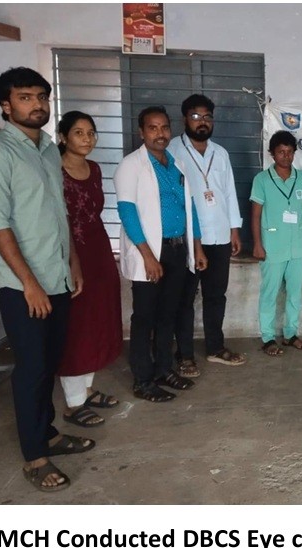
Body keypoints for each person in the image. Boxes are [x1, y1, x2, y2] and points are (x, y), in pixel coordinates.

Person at [0, 67, 92, 492]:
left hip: (55, 275)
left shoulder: (45, 149)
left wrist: (72, 261)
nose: (37, 104)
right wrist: (29, 283)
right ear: (6, 106)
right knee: (32, 368)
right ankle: (35, 457)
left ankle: (48, 433)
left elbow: (59, 214)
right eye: (25, 97)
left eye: (41, 96)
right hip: (22, 285)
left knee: (49, 361)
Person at [114, 105, 208, 403]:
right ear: (141, 132)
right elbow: (127, 212)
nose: (160, 133)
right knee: (145, 317)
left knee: (169, 314)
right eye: (152, 128)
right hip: (151, 252)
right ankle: (143, 380)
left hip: (178, 249)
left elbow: (189, 208)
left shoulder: (176, 165)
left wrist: (197, 247)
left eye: (164, 127)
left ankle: (164, 370)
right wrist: (148, 257)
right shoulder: (131, 165)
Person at [169, 94, 246, 374]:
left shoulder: (220, 153)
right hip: (188, 237)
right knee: (185, 298)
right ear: (185, 119)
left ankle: (215, 347)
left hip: (220, 235)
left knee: (216, 295)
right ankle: (185, 354)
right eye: (196, 116)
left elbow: (229, 193)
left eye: (207, 117)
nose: (202, 122)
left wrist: (234, 230)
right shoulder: (172, 150)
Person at [56, 111, 123, 427]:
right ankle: (73, 404)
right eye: (79, 133)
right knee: (77, 325)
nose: (87, 139)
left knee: (98, 320)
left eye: (91, 133)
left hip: (98, 249)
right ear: (63, 137)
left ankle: (86, 390)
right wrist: (71, 261)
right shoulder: (54, 170)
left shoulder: (94, 169)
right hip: (70, 252)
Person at [250, 130, 302, 356]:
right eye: (281, 152)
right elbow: (255, 215)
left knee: (295, 293)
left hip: (299, 245)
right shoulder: (262, 180)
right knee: (269, 293)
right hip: (272, 245)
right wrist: (257, 244)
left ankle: (290, 334)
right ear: (272, 154)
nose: (286, 156)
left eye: (290, 152)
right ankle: (268, 337)